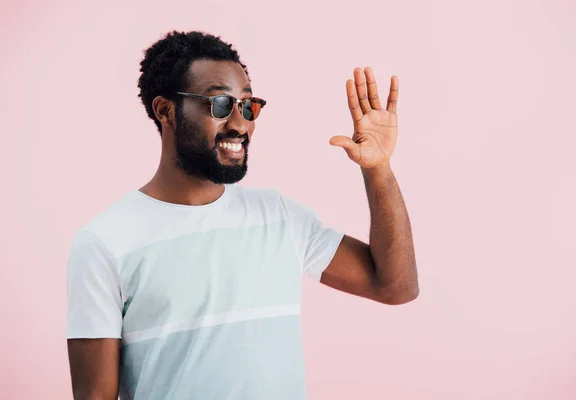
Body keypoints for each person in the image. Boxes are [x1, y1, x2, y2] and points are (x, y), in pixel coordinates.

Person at [66, 30, 419, 400]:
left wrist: (378, 168)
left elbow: (395, 286)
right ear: (165, 110)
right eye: (220, 103)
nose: (240, 123)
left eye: (248, 105)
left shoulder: (279, 217)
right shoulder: (105, 241)